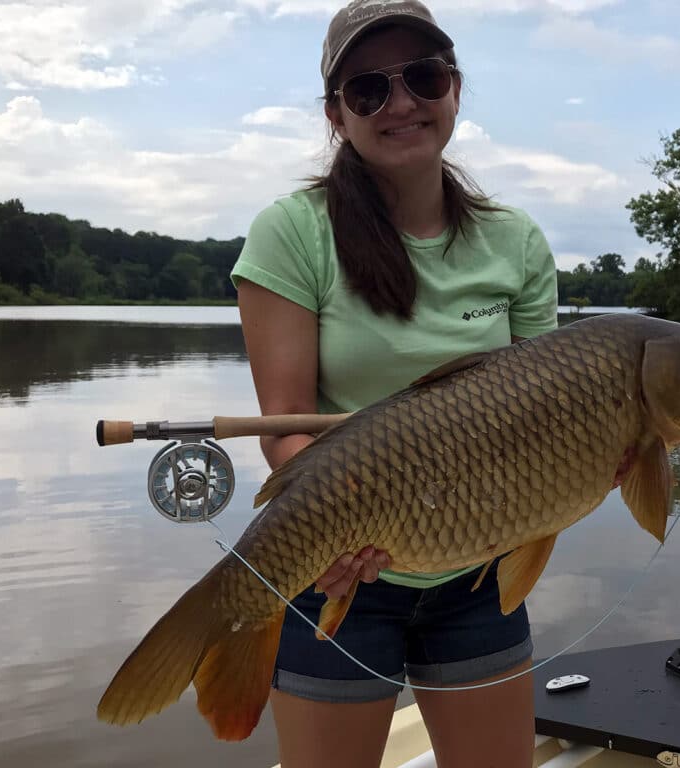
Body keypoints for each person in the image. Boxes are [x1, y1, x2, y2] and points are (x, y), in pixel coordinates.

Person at [230, 1, 558, 765]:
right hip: (340, 562)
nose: (402, 102)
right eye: (369, 90)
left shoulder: (516, 242)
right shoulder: (292, 232)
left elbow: (553, 412)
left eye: (423, 76)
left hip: (480, 567)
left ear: (453, 88)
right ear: (337, 115)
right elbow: (285, 424)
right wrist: (332, 533)